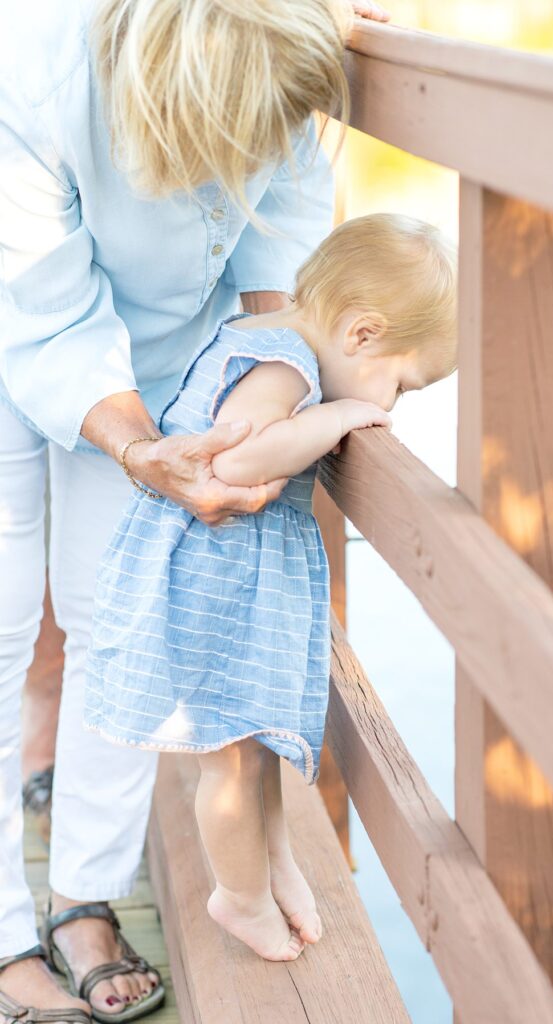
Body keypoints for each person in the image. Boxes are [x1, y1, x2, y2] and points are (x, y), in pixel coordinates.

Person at [0, 1, 389, 1022]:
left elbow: (282, 269)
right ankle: (1, 937)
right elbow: (48, 310)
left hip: (163, 351)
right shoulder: (37, 69)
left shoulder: (285, 65)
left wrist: (271, 397)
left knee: (120, 616)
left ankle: (85, 895)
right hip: (19, 295)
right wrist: (134, 441)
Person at [83, 213, 457, 962]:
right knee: (226, 754)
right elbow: (237, 462)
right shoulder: (287, 367)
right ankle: (240, 896)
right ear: (361, 334)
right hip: (207, 582)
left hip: (218, 575)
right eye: (401, 385)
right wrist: (341, 414)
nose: (391, 405)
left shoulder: (275, 338)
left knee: (251, 741)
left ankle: (272, 860)